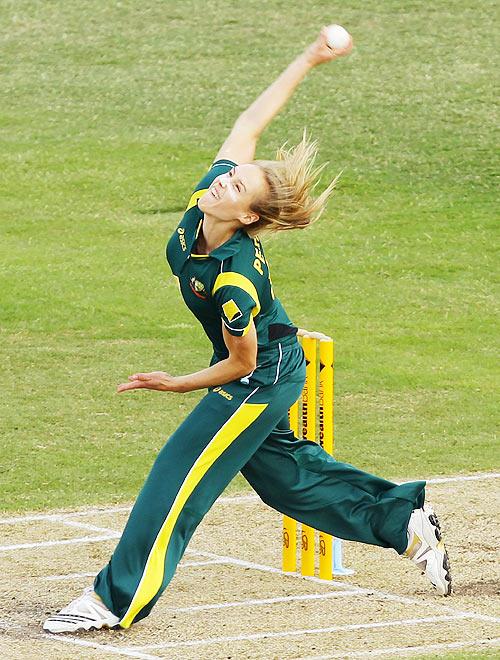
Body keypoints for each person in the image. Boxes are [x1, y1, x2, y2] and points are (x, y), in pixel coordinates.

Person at [43, 25, 451, 635]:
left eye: (234, 185)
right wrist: (310, 58)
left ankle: (113, 600)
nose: (221, 180)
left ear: (249, 216)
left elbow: (240, 362)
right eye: (226, 176)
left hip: (258, 374)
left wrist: (176, 384)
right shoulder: (204, 208)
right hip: (268, 364)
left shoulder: (234, 278)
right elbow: (249, 122)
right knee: (290, 481)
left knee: (177, 477)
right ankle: (403, 520)